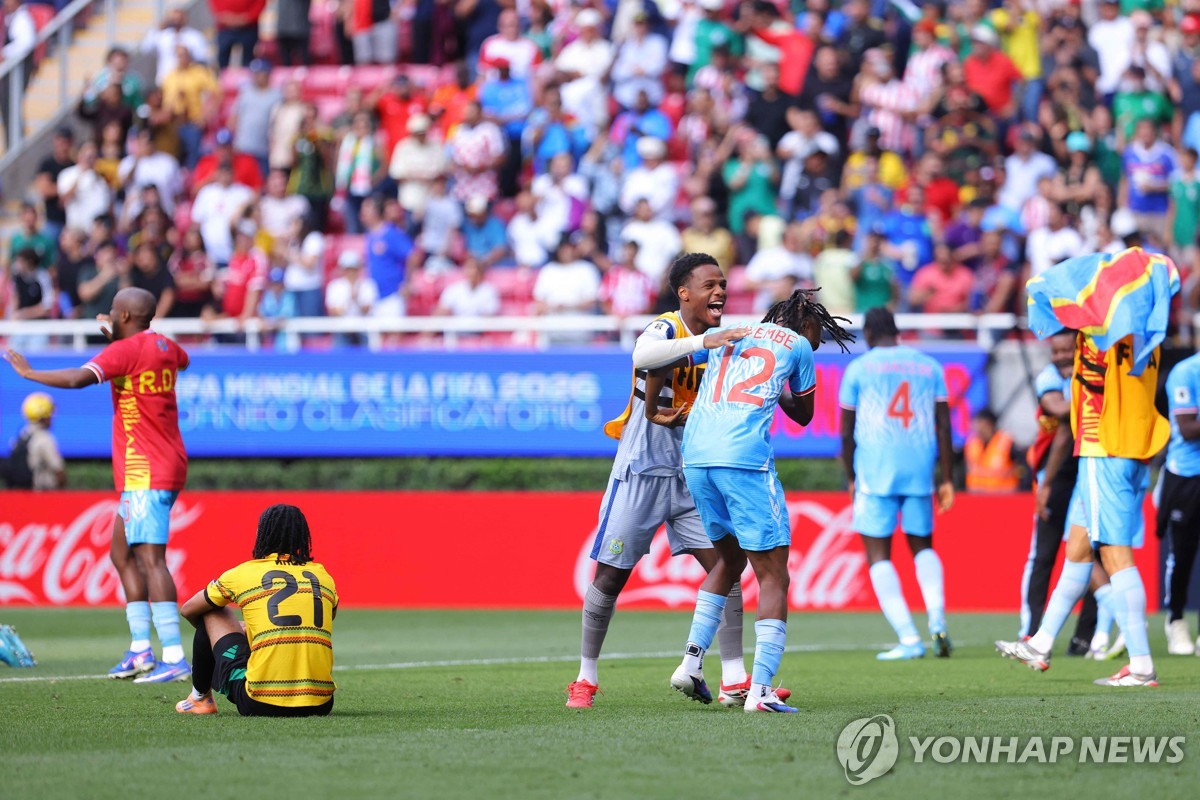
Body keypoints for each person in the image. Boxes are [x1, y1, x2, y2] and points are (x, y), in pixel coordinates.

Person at [565, 253, 752, 710]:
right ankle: (585, 678)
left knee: (727, 567)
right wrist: (705, 341)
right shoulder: (666, 328)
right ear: (683, 293)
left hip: (693, 478)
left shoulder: (725, 342)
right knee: (611, 576)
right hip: (641, 473)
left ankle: (734, 678)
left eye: (723, 284)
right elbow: (642, 357)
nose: (720, 292)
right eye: (709, 285)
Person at [658, 288, 854, 712]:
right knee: (774, 576)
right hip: (743, 460)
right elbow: (804, 415)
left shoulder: (732, 331)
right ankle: (761, 690)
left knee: (728, 561)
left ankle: (690, 663)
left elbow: (669, 361)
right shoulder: (797, 345)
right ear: (806, 321)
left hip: (696, 457)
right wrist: (779, 385)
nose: (818, 342)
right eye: (818, 332)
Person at [999, 248, 1177, 686]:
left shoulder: (1099, 335)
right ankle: (1041, 643)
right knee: (1078, 550)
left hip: (1103, 448)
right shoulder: (1144, 332)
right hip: (1130, 445)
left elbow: (1071, 306)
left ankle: (1141, 664)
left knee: (1115, 554)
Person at [4, 288, 191, 683]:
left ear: (123, 316)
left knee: (151, 560)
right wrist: (122, 341)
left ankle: (174, 657)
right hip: (163, 461)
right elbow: (180, 361)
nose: (108, 314)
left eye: (113, 311)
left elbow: (78, 379)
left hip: (145, 468)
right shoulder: (165, 346)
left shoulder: (124, 351)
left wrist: (30, 374)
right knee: (121, 554)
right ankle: (140, 649)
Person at [840, 307, 955, 660]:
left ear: (869, 335)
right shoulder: (929, 366)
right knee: (923, 546)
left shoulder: (859, 368)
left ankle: (909, 638)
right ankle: (937, 620)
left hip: (875, 472)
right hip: (919, 470)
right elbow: (944, 426)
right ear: (897, 331)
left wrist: (850, 476)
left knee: (878, 555)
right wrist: (947, 478)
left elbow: (846, 430)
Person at [176, 504, 336, 716]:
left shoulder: (243, 573)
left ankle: (200, 698)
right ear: (303, 537)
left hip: (259, 701)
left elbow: (188, 609)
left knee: (211, 610)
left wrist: (224, 637)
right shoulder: (324, 576)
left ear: (261, 534)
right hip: (321, 703)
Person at [1160, 349, 1200, 656]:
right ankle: (1175, 620)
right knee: (1182, 555)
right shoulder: (1186, 371)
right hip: (1187, 475)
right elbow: (1187, 429)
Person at [2, 393, 65, 490]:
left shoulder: (21, 436)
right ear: (45, 416)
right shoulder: (45, 439)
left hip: (19, 492)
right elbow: (58, 471)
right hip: (42, 494)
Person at [963, 409, 1020, 493]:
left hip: (1003, 496)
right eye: (978, 424)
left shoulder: (1005, 443)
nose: (980, 428)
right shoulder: (972, 444)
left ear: (991, 424)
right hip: (975, 496)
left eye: (983, 424)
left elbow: (1022, 468)